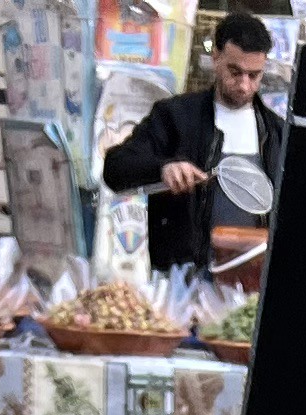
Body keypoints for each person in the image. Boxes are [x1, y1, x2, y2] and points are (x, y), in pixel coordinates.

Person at [100, 16, 282, 280]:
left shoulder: (277, 133)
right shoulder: (175, 116)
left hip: (253, 280)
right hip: (184, 281)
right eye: (235, 72)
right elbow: (116, 168)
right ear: (216, 57)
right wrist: (163, 168)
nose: (244, 85)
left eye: (254, 75)